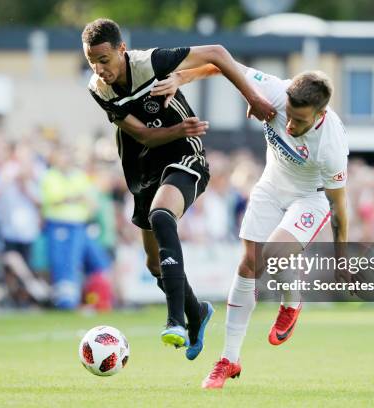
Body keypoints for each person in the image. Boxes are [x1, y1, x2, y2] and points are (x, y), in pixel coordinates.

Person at [81, 18, 275, 359]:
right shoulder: (98, 87)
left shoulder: (150, 63)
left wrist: (254, 98)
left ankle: (175, 321)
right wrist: (177, 129)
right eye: (92, 62)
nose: (100, 69)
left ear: (122, 50)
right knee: (154, 264)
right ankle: (197, 313)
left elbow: (216, 53)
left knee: (161, 215)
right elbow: (141, 134)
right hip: (144, 166)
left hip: (186, 155)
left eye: (105, 60)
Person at [152, 62, 350, 387]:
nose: (290, 125)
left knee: (271, 256)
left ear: (320, 115)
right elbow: (220, 63)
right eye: (289, 115)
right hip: (271, 186)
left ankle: (292, 300)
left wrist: (342, 256)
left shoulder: (331, 146)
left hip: (309, 199)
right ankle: (229, 359)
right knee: (248, 266)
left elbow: (339, 205)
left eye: (300, 121)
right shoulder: (274, 89)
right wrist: (179, 77)